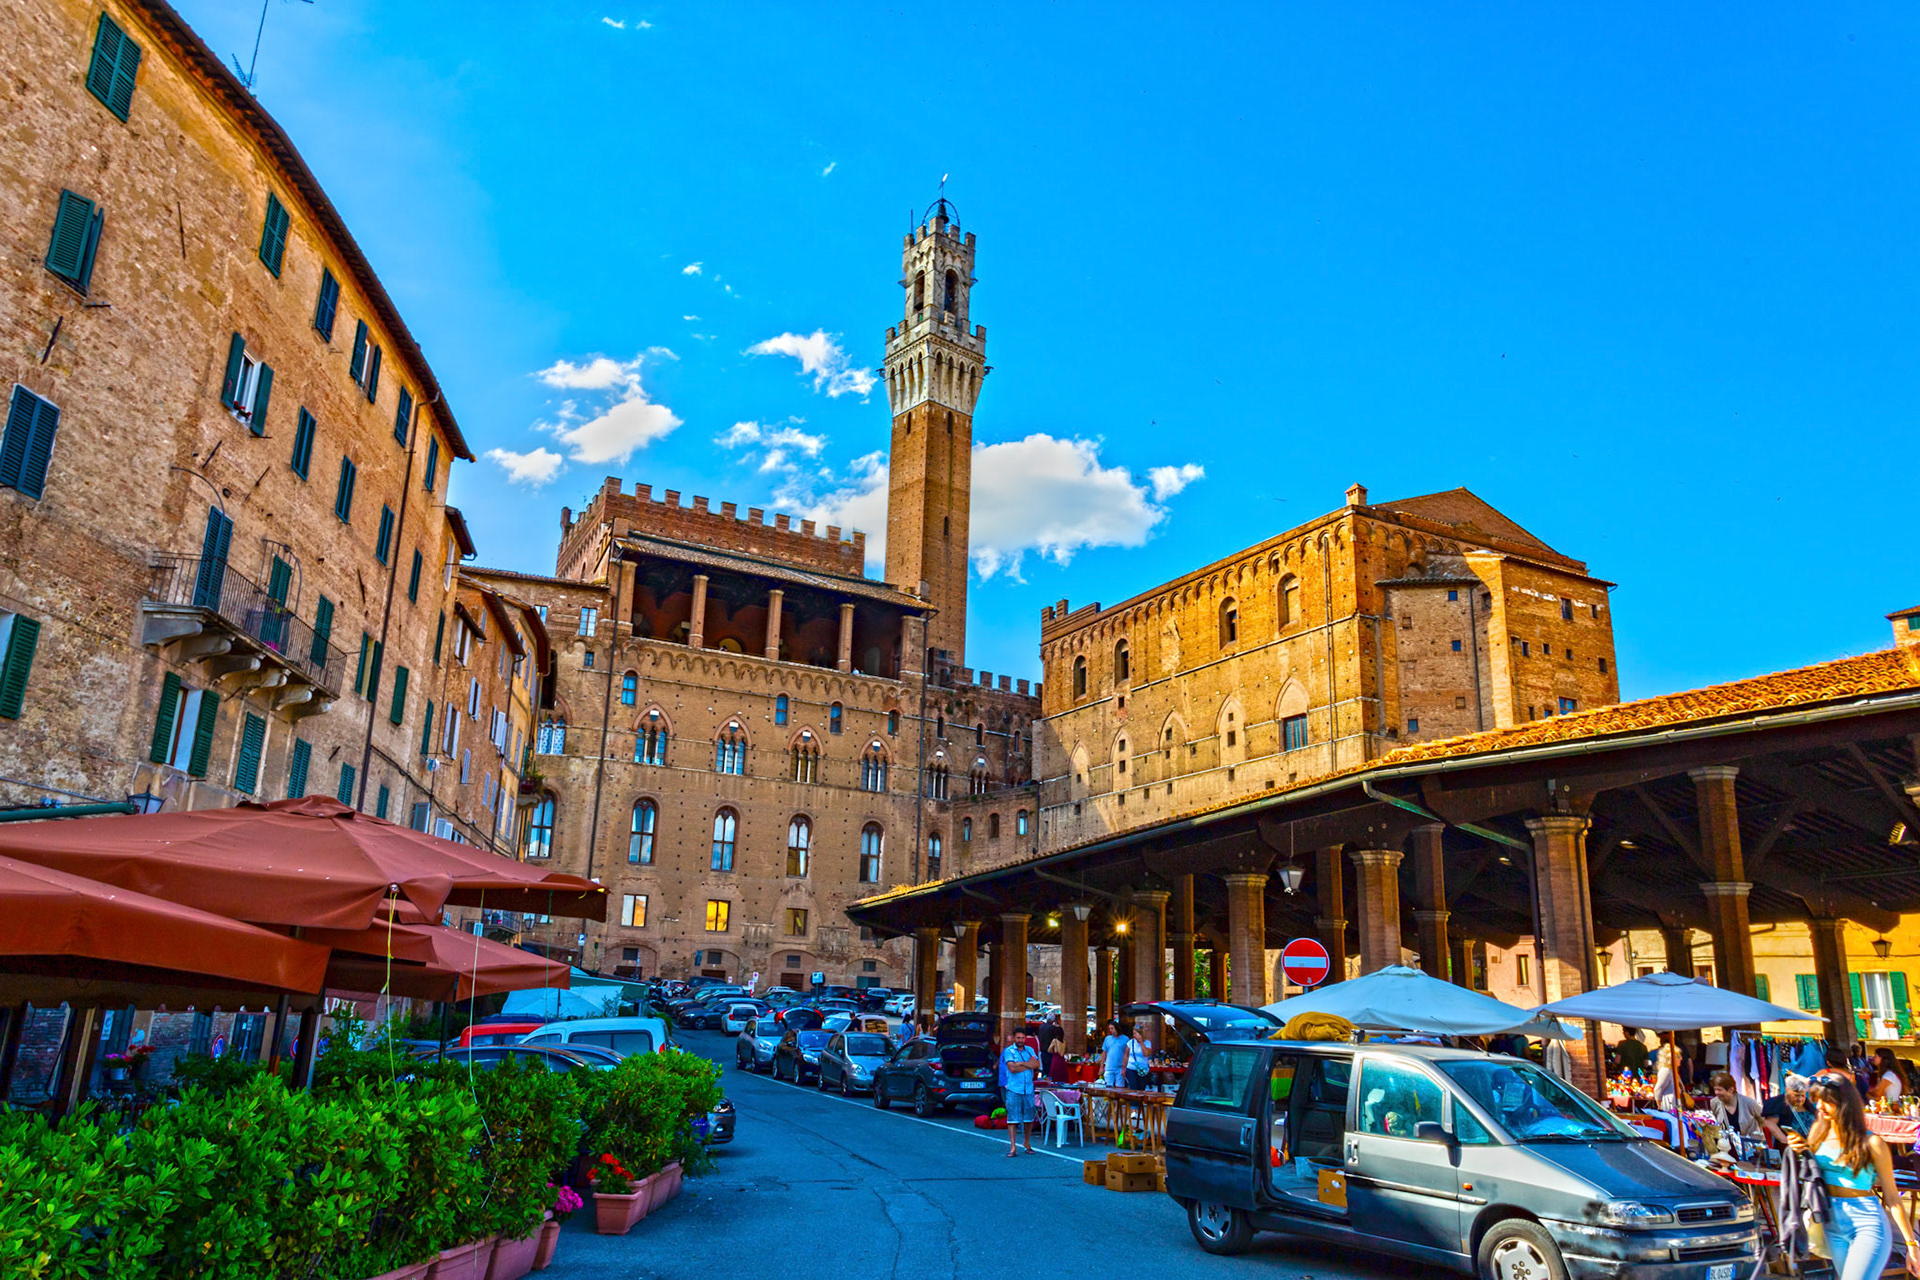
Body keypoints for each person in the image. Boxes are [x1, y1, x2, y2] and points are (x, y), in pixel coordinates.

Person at [1783, 1074, 1920, 1279]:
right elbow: (1812, 1174)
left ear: (1844, 1103)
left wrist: (1911, 1244)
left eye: (1826, 1101)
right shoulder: (1817, 1132)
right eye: (1817, 1100)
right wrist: (1799, 1150)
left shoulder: (1872, 1142)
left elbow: (1893, 1198)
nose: (1819, 1106)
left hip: (1866, 1222)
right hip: (1831, 1222)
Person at [999, 1030, 1040, 1156]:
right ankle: (1013, 1147)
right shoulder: (1009, 1051)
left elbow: (1036, 1064)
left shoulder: (1030, 1050)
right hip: (1014, 1088)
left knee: (1029, 1118)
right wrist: (1028, 1064)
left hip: (1028, 1088)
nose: (1020, 1040)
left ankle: (1027, 1142)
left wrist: (1020, 1064)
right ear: (1014, 1038)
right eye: (1018, 1038)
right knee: (1012, 1119)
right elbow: (1012, 1068)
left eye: (1022, 1038)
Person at [1762, 1074, 1817, 1145]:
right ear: (1787, 1090)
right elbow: (1770, 1123)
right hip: (1791, 1146)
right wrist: (1786, 1142)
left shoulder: (1807, 1104)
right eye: (1796, 1095)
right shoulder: (1778, 1103)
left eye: (1803, 1095)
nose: (1800, 1099)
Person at [1709, 1072, 1763, 1140]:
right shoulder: (1714, 1103)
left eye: (1719, 1090)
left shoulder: (1749, 1103)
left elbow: (1763, 1120)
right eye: (1715, 1089)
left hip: (1750, 1143)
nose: (1716, 1093)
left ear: (1731, 1089)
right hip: (1727, 1144)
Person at [1124, 1023, 1155, 1091]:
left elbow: (1146, 1054)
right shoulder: (1130, 1042)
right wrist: (1123, 1068)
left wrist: (1141, 1043)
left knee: (1141, 1088)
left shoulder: (1147, 1043)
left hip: (1142, 1069)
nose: (1134, 1035)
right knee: (1133, 1088)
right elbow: (1126, 1055)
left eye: (1135, 1033)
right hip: (1131, 1068)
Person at [1100, 1019, 1128, 1087]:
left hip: (1120, 1067)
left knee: (1120, 1087)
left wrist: (1124, 1067)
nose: (1110, 1030)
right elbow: (1104, 1053)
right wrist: (1101, 1067)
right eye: (1109, 1028)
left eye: (1112, 1028)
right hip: (1109, 1067)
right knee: (1108, 1086)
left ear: (1116, 1028)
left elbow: (1127, 1054)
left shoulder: (1125, 1039)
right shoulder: (1107, 1039)